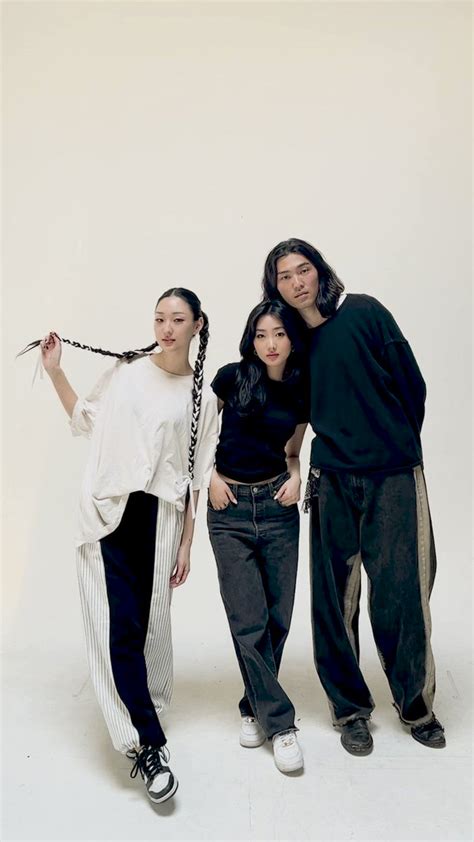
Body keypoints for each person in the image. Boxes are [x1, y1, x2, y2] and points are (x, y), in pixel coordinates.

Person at [20, 288, 218, 802]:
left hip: (161, 517)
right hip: (110, 511)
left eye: (178, 320)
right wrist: (56, 372)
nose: (166, 328)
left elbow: (196, 476)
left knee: (150, 626)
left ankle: (148, 716)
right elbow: (85, 419)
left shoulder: (201, 396)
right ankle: (145, 744)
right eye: (159, 318)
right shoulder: (128, 372)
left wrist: (187, 543)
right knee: (118, 625)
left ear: (197, 325)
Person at [262, 238, 446, 756]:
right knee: (333, 599)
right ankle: (349, 711)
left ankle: (417, 708)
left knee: (403, 593)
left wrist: (394, 444)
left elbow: (413, 387)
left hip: (393, 474)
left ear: (320, 272)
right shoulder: (294, 342)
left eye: (303, 270)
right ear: (275, 287)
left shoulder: (364, 312)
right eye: (284, 276)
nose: (296, 282)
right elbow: (294, 410)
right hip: (333, 478)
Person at [207, 299, 308, 773]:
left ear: (292, 339)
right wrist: (209, 476)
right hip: (227, 509)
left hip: (277, 507)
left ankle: (253, 705)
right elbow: (199, 437)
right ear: (251, 338)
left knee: (277, 617)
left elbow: (293, 451)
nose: (270, 344)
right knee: (248, 619)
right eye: (262, 334)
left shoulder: (300, 389)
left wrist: (297, 474)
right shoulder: (230, 378)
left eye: (280, 334)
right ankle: (281, 725)